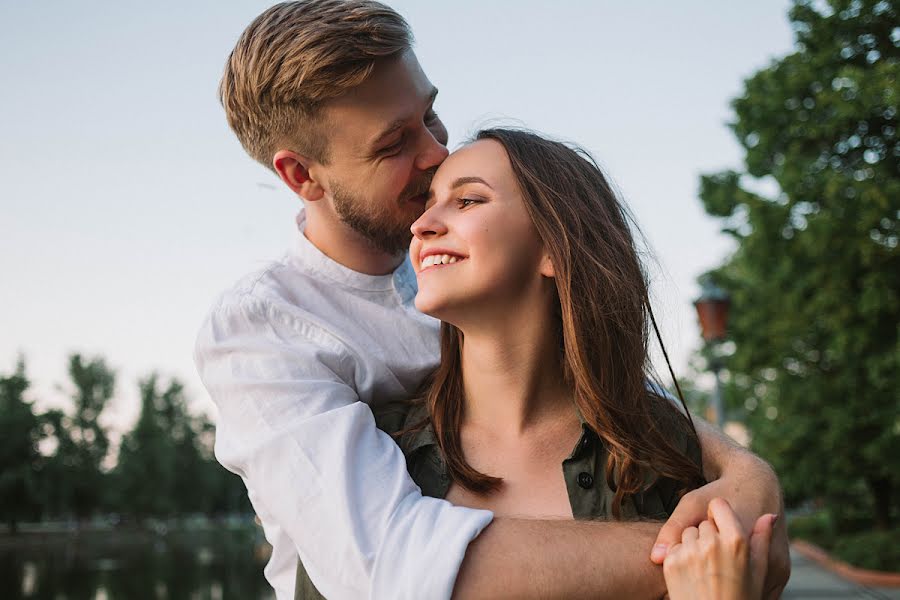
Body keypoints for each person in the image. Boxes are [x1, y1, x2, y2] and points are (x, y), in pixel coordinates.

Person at [195, 2, 789, 598]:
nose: (433, 154)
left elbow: (609, 383)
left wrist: (743, 470)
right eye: (394, 143)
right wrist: (700, 553)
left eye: (430, 114)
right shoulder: (265, 329)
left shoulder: (464, 269)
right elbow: (389, 565)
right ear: (302, 175)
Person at [292, 127, 773, 599]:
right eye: (427, 204)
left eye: (468, 201)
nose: (421, 225)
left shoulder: (665, 456)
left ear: (553, 248)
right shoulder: (373, 450)